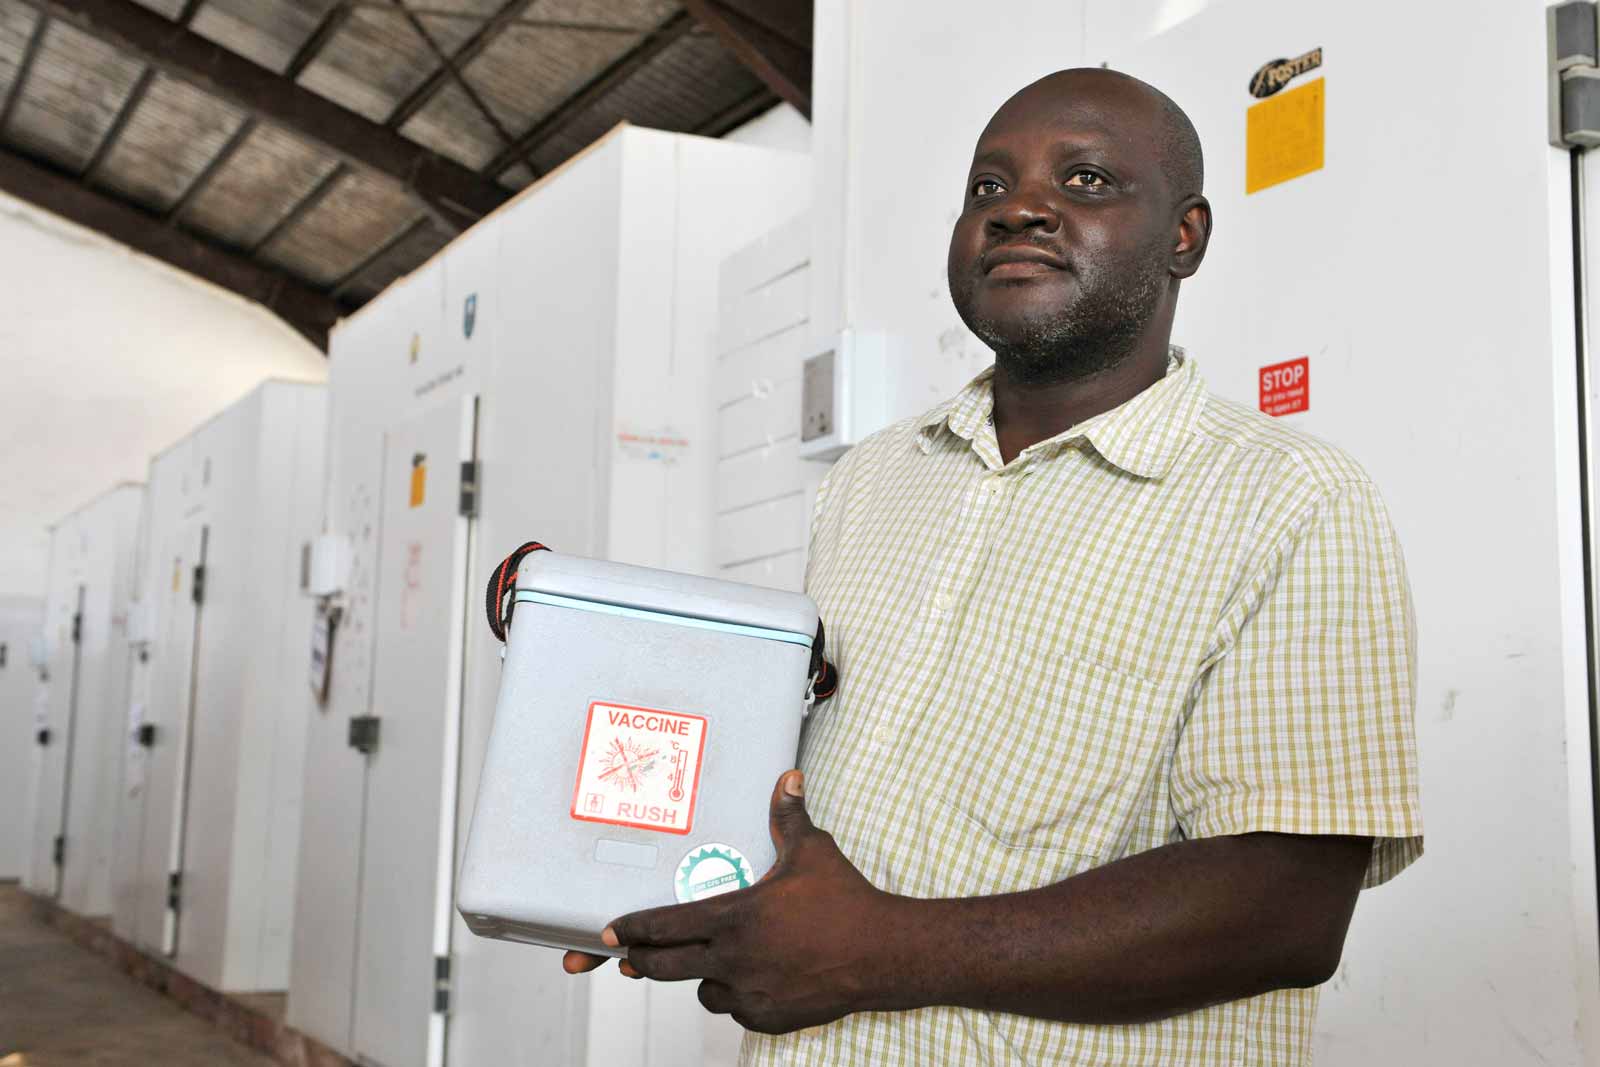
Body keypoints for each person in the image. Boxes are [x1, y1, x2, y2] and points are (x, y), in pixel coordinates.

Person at [563, 67, 1422, 1066]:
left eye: (1088, 181)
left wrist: (876, 948)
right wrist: (648, 860)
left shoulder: (1288, 499)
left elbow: (1283, 909)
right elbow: (815, 791)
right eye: (987, 188)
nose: (1018, 208)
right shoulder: (874, 478)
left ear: (1183, 236)